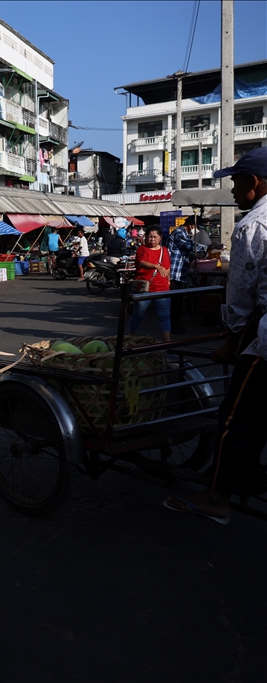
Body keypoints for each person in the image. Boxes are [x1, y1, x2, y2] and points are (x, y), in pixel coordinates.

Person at [164, 147, 267, 525]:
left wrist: (231, 341)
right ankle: (249, 478)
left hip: (263, 340)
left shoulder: (253, 225)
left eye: (236, 183)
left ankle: (216, 497)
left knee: (234, 418)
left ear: (253, 183)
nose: (233, 192)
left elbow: (240, 295)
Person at [128, 226, 172, 342]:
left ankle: (167, 341)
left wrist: (168, 279)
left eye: (154, 237)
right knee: (138, 314)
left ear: (160, 238)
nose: (152, 239)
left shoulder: (165, 250)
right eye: (150, 237)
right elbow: (141, 263)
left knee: (165, 315)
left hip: (162, 288)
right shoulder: (142, 249)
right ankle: (130, 337)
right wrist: (156, 266)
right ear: (146, 237)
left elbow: (167, 267)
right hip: (144, 288)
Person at [166, 219, 197, 334]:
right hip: (174, 272)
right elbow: (191, 246)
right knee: (174, 301)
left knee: (178, 300)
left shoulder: (185, 234)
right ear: (191, 225)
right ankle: (172, 325)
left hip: (180, 273)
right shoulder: (179, 232)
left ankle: (176, 323)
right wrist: (207, 248)